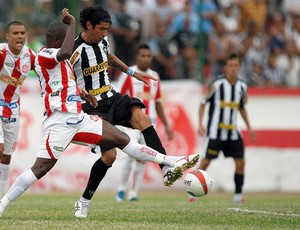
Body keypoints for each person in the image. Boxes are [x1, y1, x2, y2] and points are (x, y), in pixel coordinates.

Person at [0, 8, 199, 218]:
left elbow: (67, 80)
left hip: (84, 112)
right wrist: (71, 24)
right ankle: (6, 202)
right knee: (43, 168)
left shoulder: (87, 48)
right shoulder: (50, 53)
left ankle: (169, 163)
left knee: (126, 136)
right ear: (60, 39)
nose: (105, 33)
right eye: (102, 29)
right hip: (61, 120)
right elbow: (64, 57)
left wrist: (84, 92)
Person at [70, 5, 196, 218]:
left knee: (143, 118)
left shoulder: (103, 40)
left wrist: (131, 72)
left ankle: (166, 169)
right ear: (89, 25)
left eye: (107, 29)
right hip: (92, 106)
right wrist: (80, 93)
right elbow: (67, 79)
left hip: (111, 96)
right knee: (109, 156)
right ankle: (83, 201)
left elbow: (108, 57)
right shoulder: (74, 51)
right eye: (101, 29)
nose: (105, 33)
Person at [189, 52, 256, 203]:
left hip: (233, 132)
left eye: (236, 65)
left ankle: (238, 195)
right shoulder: (216, 84)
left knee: (240, 162)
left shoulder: (242, 86)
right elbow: (202, 103)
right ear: (225, 67)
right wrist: (200, 124)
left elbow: (242, 107)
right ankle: (193, 190)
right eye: (230, 65)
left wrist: (250, 127)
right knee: (206, 161)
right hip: (215, 131)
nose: (233, 68)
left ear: (239, 67)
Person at [115, 44, 174, 202]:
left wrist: (167, 125)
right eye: (143, 55)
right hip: (132, 123)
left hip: (149, 125)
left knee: (143, 159)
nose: (146, 58)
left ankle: (133, 193)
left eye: (149, 56)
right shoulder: (129, 73)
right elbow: (119, 96)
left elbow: (158, 102)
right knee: (128, 155)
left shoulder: (155, 76)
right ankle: (121, 189)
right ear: (137, 57)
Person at [0, 21, 36, 198]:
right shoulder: (1, 52)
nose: (20, 36)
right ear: (7, 36)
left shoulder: (30, 55)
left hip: (12, 109)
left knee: (6, 156)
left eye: (22, 33)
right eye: (15, 33)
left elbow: (46, 71)